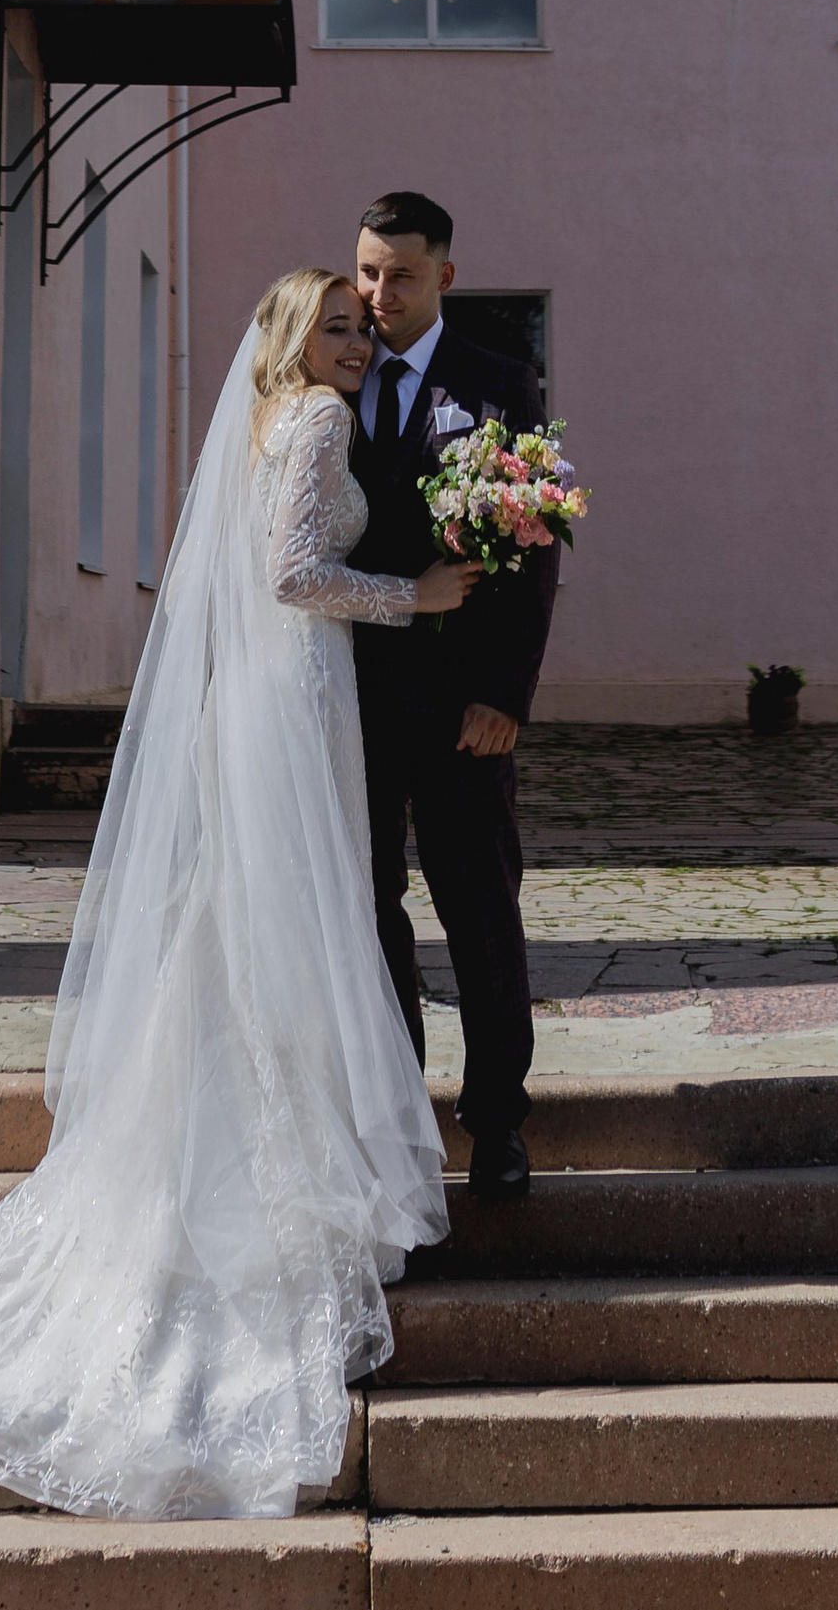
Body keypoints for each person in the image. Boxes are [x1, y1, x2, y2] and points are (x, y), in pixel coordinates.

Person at [0, 270, 481, 1520]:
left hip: (273, 700)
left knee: (260, 926)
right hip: (300, 692)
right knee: (297, 924)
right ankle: (288, 1177)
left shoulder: (263, 416)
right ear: (290, 336)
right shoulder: (323, 421)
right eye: (334, 325)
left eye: (360, 324)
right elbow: (290, 572)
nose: (355, 339)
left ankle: (236, 1142)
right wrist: (416, 596)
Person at [345, 187, 561, 1202]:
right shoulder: (327, 377)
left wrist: (503, 692)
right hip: (344, 705)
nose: (378, 292)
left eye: (400, 273)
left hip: (464, 711)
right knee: (366, 910)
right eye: (367, 271)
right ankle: (398, 1119)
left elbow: (534, 549)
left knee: (479, 913)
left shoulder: (499, 384)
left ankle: (498, 1123)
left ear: (446, 277)